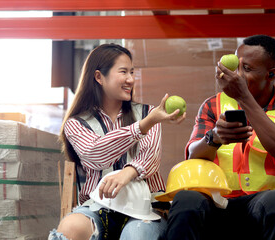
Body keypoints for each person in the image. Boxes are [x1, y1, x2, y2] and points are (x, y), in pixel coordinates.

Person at [165, 35, 275, 240]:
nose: (237, 75)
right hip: (217, 202)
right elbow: (192, 155)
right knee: (186, 199)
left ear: (271, 74)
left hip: (262, 206)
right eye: (236, 65)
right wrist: (214, 137)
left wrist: (244, 97)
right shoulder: (212, 105)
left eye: (248, 69)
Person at [49, 43, 185, 240]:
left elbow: (151, 157)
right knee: (70, 228)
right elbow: (95, 154)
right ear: (98, 77)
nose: (130, 79)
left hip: (145, 207)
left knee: (135, 235)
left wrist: (127, 174)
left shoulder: (149, 113)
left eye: (132, 72)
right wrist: (141, 127)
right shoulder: (77, 123)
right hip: (98, 206)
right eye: (123, 72)